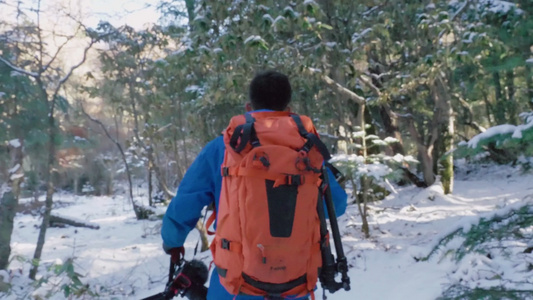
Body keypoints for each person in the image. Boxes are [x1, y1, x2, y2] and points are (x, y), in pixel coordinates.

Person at [161, 70, 347, 300]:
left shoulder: (224, 148)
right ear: (288, 110)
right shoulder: (307, 150)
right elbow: (337, 206)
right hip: (295, 282)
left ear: (249, 107)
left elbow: (184, 206)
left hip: (235, 284)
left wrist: (173, 243)